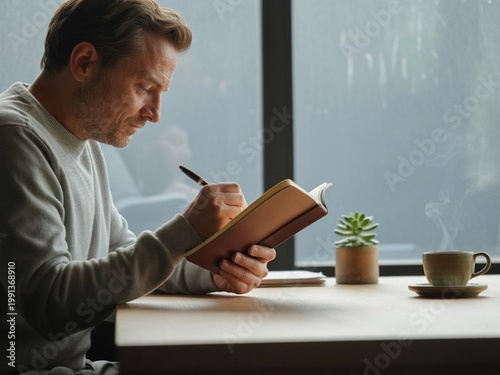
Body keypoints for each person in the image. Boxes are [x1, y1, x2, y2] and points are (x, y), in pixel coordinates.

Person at [0, 1, 276, 374]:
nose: (155, 113)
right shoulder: (14, 138)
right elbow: (49, 303)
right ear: (84, 62)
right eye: (145, 88)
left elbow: (121, 252)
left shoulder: (81, 141)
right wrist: (183, 232)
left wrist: (213, 272)